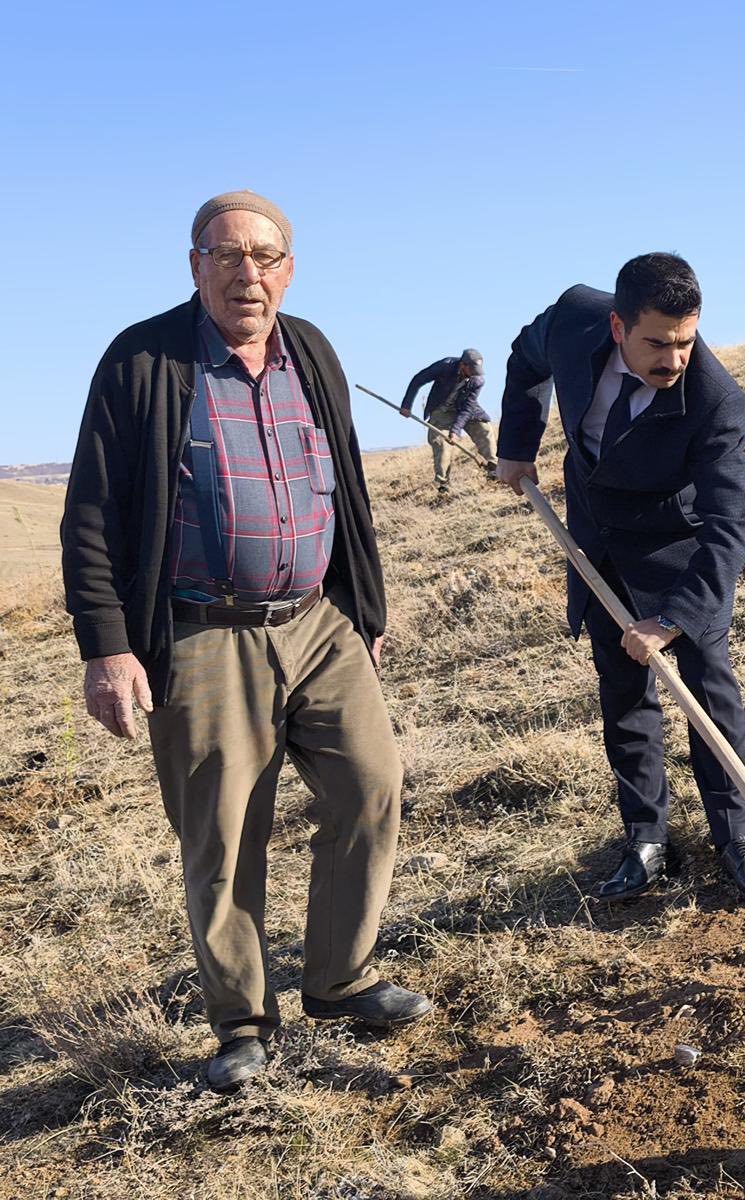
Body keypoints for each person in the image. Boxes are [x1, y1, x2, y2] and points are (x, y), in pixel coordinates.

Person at [61, 191, 431, 1094]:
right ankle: (242, 1022)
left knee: (371, 787)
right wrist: (109, 649)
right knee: (223, 836)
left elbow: (344, 486)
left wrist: (364, 614)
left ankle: (340, 979)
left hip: (316, 622)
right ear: (195, 267)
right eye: (225, 255)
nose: (247, 273)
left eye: (265, 256)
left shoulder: (311, 349)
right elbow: (92, 514)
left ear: (290, 268)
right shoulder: (143, 360)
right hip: (201, 632)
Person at [497, 253, 745, 904]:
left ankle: (738, 843)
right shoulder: (574, 321)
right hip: (597, 544)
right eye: (658, 342)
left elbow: (731, 519)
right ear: (618, 326)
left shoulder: (714, 400)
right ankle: (647, 843)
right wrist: (517, 442)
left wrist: (674, 617)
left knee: (710, 693)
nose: (674, 359)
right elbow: (524, 355)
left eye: (686, 341)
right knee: (624, 695)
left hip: (676, 549)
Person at [399, 349, 498, 493]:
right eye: (472, 369)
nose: (475, 373)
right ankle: (443, 484)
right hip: (441, 409)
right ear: (463, 364)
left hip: (464, 409)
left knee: (484, 430)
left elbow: (468, 407)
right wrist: (406, 405)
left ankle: (494, 470)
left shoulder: (478, 380)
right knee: (442, 442)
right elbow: (418, 379)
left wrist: (456, 430)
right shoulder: (445, 366)